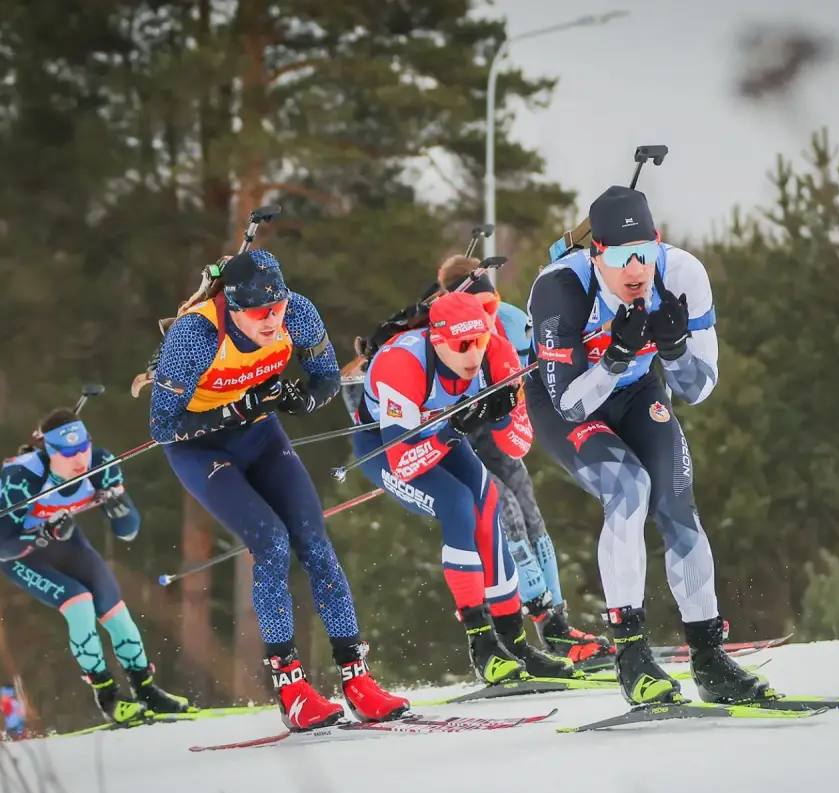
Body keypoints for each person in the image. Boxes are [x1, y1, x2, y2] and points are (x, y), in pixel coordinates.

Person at [525, 184, 770, 705]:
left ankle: (708, 658)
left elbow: (698, 390)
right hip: (566, 400)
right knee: (628, 488)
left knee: (677, 503)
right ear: (597, 255)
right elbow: (570, 404)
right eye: (618, 256)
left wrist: (677, 350)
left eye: (644, 252)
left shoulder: (682, 274)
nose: (635, 267)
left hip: (637, 390)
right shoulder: (560, 289)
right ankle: (632, 655)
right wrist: (613, 356)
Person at [148, 249, 408, 731]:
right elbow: (163, 427)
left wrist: (301, 399)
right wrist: (236, 409)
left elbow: (328, 377)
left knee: (314, 541)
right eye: (257, 313)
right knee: (270, 543)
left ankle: (357, 680)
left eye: (277, 308)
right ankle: (291, 689)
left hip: (260, 435)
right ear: (232, 307)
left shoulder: (299, 312)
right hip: (202, 451)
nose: (271, 321)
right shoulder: (196, 336)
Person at [349, 290, 578, 684]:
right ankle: (482, 645)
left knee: (487, 499)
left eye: (480, 341)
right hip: (385, 447)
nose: (474, 355)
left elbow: (518, 446)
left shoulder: (496, 353)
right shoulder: (402, 363)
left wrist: (503, 412)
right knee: (457, 503)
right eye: (462, 345)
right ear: (438, 341)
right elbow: (403, 461)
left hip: (442, 435)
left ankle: (516, 644)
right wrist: (456, 426)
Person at [432, 255, 611, 664]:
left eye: (491, 307)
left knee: (530, 513)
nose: (488, 320)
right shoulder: (445, 326)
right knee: (505, 513)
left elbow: (549, 357)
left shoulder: (511, 320)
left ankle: (556, 626)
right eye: (479, 312)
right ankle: (520, 623)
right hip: (461, 443)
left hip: (498, 434)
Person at [0, 411, 190, 724]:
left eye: (83, 447)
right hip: (25, 557)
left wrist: (118, 510)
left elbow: (128, 531)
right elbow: (4, 547)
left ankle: (147, 691)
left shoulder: (100, 463)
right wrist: (43, 532)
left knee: (116, 613)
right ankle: (109, 697)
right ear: (49, 452)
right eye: (68, 453)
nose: (79, 459)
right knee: (80, 603)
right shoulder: (22, 477)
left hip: (70, 546)